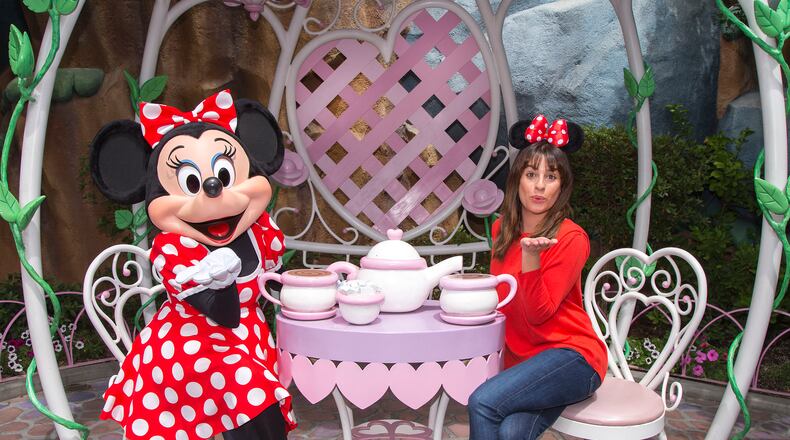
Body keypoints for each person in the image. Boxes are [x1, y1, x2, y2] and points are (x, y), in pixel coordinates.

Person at [90, 90, 296, 439]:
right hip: (192, 347)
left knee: (255, 398)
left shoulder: (260, 229)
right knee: (253, 399)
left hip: (246, 339)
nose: (213, 188)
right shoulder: (175, 246)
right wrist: (221, 276)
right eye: (190, 182)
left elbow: (269, 285)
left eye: (224, 175)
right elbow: (223, 313)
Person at [467, 115, 608, 440]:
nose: (541, 185)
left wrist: (532, 259)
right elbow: (503, 300)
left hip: (573, 358)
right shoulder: (503, 230)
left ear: (563, 185)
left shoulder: (571, 238)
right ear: (517, 181)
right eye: (532, 175)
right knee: (512, 431)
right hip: (526, 362)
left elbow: (539, 313)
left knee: (483, 403)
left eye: (551, 176)